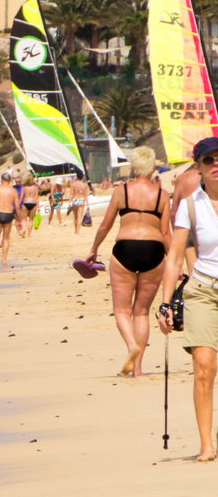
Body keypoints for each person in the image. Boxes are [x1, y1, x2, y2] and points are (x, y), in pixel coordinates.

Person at [159, 136, 218, 461]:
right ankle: (206, 444)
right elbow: (174, 258)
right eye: (209, 160)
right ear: (198, 167)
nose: (216, 165)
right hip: (203, 290)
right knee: (204, 366)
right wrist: (165, 303)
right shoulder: (190, 206)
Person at [89, 146, 170, 377]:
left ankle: (132, 346)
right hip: (153, 250)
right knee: (142, 312)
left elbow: (105, 225)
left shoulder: (121, 191)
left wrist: (94, 249)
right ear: (153, 167)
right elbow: (166, 233)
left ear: (133, 168)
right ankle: (138, 369)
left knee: (122, 310)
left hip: (125, 249)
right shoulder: (162, 195)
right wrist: (174, 262)